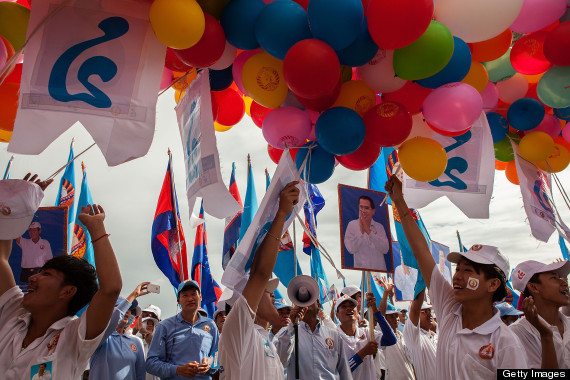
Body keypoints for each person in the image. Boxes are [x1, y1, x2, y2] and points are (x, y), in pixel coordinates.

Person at [385, 175, 528, 378]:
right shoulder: (449, 307)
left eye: (468, 270)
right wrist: (399, 201)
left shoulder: (506, 344)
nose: (457, 276)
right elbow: (421, 252)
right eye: (458, 269)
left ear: (493, 284)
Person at [0, 174, 122, 380]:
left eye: (46, 274)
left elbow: (110, 289)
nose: (32, 278)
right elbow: (1, 258)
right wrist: (19, 206)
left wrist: (96, 228)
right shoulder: (13, 312)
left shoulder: (75, 336)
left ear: (67, 291)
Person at [218, 181, 300, 379]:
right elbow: (260, 274)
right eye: (266, 290)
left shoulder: (267, 340)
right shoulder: (238, 330)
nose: (273, 296)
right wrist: (281, 214)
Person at [146, 279, 219, 380]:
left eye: (193, 294)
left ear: (200, 297)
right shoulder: (165, 327)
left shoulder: (211, 325)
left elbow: (217, 356)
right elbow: (151, 364)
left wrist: (209, 365)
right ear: (178, 300)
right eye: (185, 295)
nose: (190, 298)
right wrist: (178, 370)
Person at [509, 260, 570, 369]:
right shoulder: (517, 333)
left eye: (560, 277)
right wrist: (546, 336)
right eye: (554, 278)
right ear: (534, 288)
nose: (564, 283)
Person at [274, 299, 352, 379]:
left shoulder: (334, 335)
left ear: (318, 306)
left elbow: (344, 370)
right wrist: (292, 328)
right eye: (301, 300)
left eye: (309, 299)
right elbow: (280, 361)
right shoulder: (286, 333)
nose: (305, 303)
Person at [89, 283, 150, 380]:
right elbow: (114, 318)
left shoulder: (136, 342)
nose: (127, 311)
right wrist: (134, 294)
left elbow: (140, 375)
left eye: (129, 309)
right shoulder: (100, 336)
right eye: (122, 307)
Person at [333, 293, 396, 380]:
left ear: (356, 311)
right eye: (344, 306)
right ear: (337, 315)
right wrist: (363, 353)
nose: (349, 308)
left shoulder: (366, 332)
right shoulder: (334, 337)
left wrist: (376, 311)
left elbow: (391, 340)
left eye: (352, 306)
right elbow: (339, 372)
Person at [379, 283, 416, 380]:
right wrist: (386, 293)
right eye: (391, 316)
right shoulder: (384, 335)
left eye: (396, 316)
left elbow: (410, 363)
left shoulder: (403, 336)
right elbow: (380, 315)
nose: (395, 318)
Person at [344, 195, 390, 271]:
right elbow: (351, 249)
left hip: (380, 274)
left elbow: (385, 249)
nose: (363, 211)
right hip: (362, 274)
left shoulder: (379, 227)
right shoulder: (352, 225)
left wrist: (369, 232)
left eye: (366, 208)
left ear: (373, 211)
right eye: (361, 207)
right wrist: (361, 233)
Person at [402, 289, 437, 380]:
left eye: (430, 311)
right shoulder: (414, 337)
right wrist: (421, 283)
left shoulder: (436, 336)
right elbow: (414, 310)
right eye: (425, 312)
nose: (429, 315)